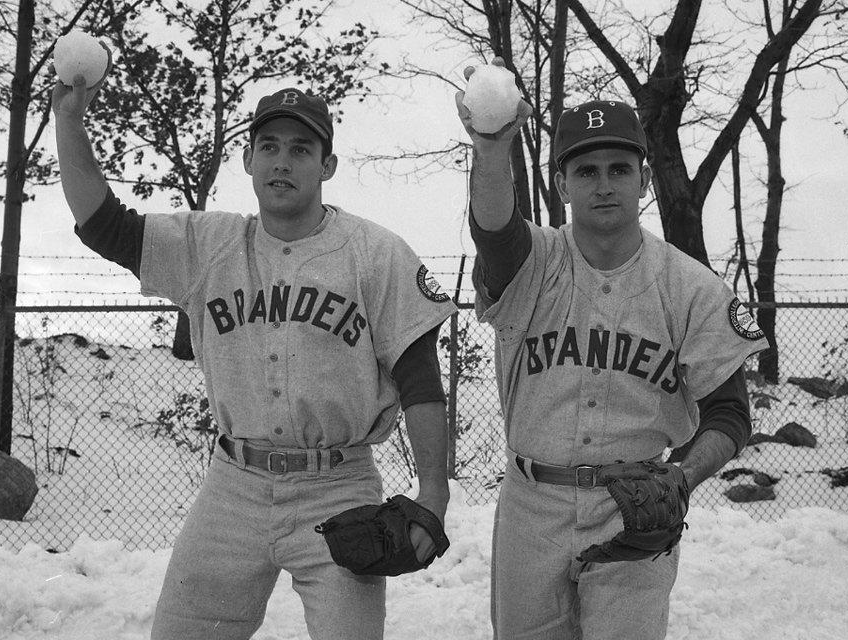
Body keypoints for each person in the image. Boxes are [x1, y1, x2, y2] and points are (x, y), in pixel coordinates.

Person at [52, 50, 457, 640]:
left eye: (300, 148)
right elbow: (102, 224)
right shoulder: (211, 243)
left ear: (328, 164)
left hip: (337, 486)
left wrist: (434, 492)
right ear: (248, 159)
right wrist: (69, 122)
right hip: (232, 487)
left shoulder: (374, 252)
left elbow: (420, 377)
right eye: (269, 146)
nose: (282, 161)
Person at [455, 58, 770, 640]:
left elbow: (729, 413)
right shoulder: (533, 261)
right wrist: (492, 152)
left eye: (620, 169)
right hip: (533, 507)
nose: (604, 184)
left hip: (636, 505)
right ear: (562, 182)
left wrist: (684, 477)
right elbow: (493, 231)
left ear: (644, 180)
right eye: (587, 169)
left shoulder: (690, 287)